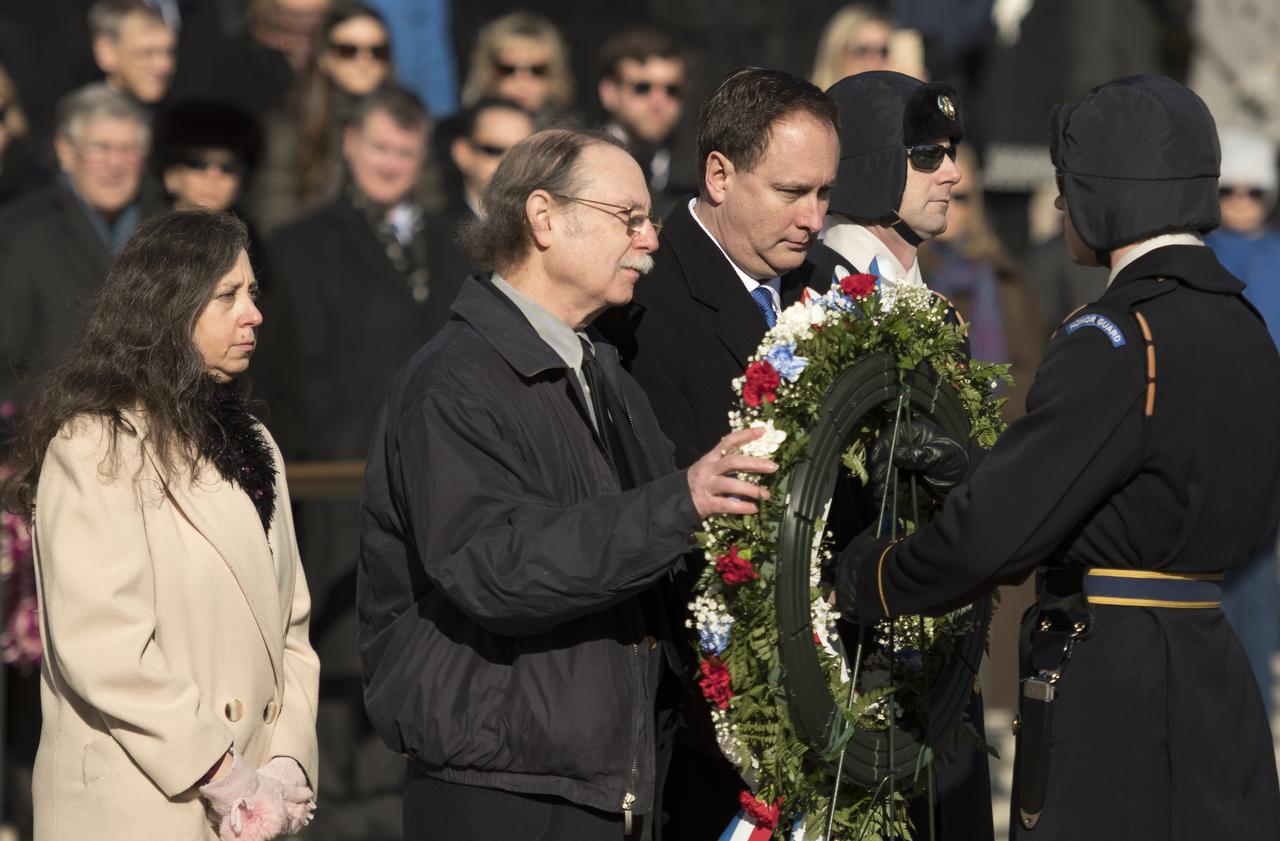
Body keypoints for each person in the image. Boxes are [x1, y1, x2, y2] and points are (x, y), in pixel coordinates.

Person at [836, 74, 1280, 839]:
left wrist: (871, 573)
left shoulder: (1115, 336)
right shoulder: (1245, 326)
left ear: (1109, 191)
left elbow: (993, 535)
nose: (1060, 204)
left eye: (1069, 182)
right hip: (1216, 672)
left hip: (1115, 683)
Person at [358, 127, 777, 841]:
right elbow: (497, 565)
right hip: (500, 789)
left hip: (604, 781)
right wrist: (683, 501)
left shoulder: (602, 368)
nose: (650, 240)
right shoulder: (456, 378)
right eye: (629, 217)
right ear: (544, 217)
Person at [1, 209, 320, 841]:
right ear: (169, 306)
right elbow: (103, 646)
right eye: (228, 295)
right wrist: (224, 773)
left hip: (251, 804)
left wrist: (284, 764)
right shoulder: (95, 443)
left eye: (252, 293)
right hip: (142, 805)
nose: (253, 313)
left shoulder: (256, 442)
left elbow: (291, 628)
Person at [597, 67, 837, 840]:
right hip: (704, 703)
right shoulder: (645, 299)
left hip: (820, 679)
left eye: (824, 194)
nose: (813, 218)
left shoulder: (828, 286)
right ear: (720, 174)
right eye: (792, 191)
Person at [785, 68, 995, 841]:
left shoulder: (933, 306)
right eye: (927, 154)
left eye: (952, 151)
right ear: (872, 160)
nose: (954, 173)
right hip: (852, 681)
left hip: (939, 679)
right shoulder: (810, 300)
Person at [258, 86, 468, 840]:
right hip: (332, 487)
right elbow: (282, 376)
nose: (390, 163)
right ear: (350, 144)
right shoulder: (298, 245)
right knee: (334, 679)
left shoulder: (456, 240)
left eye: (405, 151)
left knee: (414, 677)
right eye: (379, 147)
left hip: (437, 494)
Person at [0, 83, 161, 405]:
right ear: (65, 151)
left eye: (128, 149)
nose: (115, 164)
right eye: (100, 147)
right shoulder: (19, 229)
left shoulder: (163, 232)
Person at [1204, 125, 1280, 718]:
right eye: (1232, 190)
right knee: (1204, 586)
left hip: (1268, 445)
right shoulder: (1199, 256)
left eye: (1255, 192)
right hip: (1208, 440)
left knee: (1255, 590)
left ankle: (1250, 710)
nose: (1242, 202)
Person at [250, 2, 397, 233]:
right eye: (348, 50)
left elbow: (427, 210)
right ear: (324, 58)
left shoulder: (407, 126)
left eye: (377, 51)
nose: (364, 61)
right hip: (311, 260)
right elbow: (274, 223)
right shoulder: (287, 128)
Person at [921, 143, 1043, 421]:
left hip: (998, 432)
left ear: (975, 203)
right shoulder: (908, 272)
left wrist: (988, 419)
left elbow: (1028, 367)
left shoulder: (1005, 277)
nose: (949, 207)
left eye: (960, 197)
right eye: (942, 194)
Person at [597, 27, 696, 215]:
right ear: (609, 91)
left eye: (672, 90)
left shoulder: (700, 173)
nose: (658, 102)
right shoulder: (578, 164)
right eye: (642, 87)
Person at [458, 12, 575, 127]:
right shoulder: (464, 134)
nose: (522, 82)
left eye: (537, 70)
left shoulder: (570, 140)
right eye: (508, 70)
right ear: (488, 72)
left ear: (554, 75)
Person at [151, 100, 262, 213]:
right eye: (197, 164)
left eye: (228, 167)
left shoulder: (253, 230)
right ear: (170, 175)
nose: (214, 176)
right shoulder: (140, 228)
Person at [444, 97, 534, 218]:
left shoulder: (547, 225)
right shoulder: (427, 227)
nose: (510, 162)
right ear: (463, 153)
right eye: (495, 151)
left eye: (521, 153)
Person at [88, 0, 177, 107]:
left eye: (170, 52)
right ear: (107, 52)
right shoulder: (83, 119)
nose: (165, 65)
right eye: (146, 53)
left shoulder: (180, 119)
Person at [810, 4, 896, 91]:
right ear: (837, 54)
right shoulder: (805, 102)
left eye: (883, 52)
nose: (874, 63)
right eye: (861, 51)